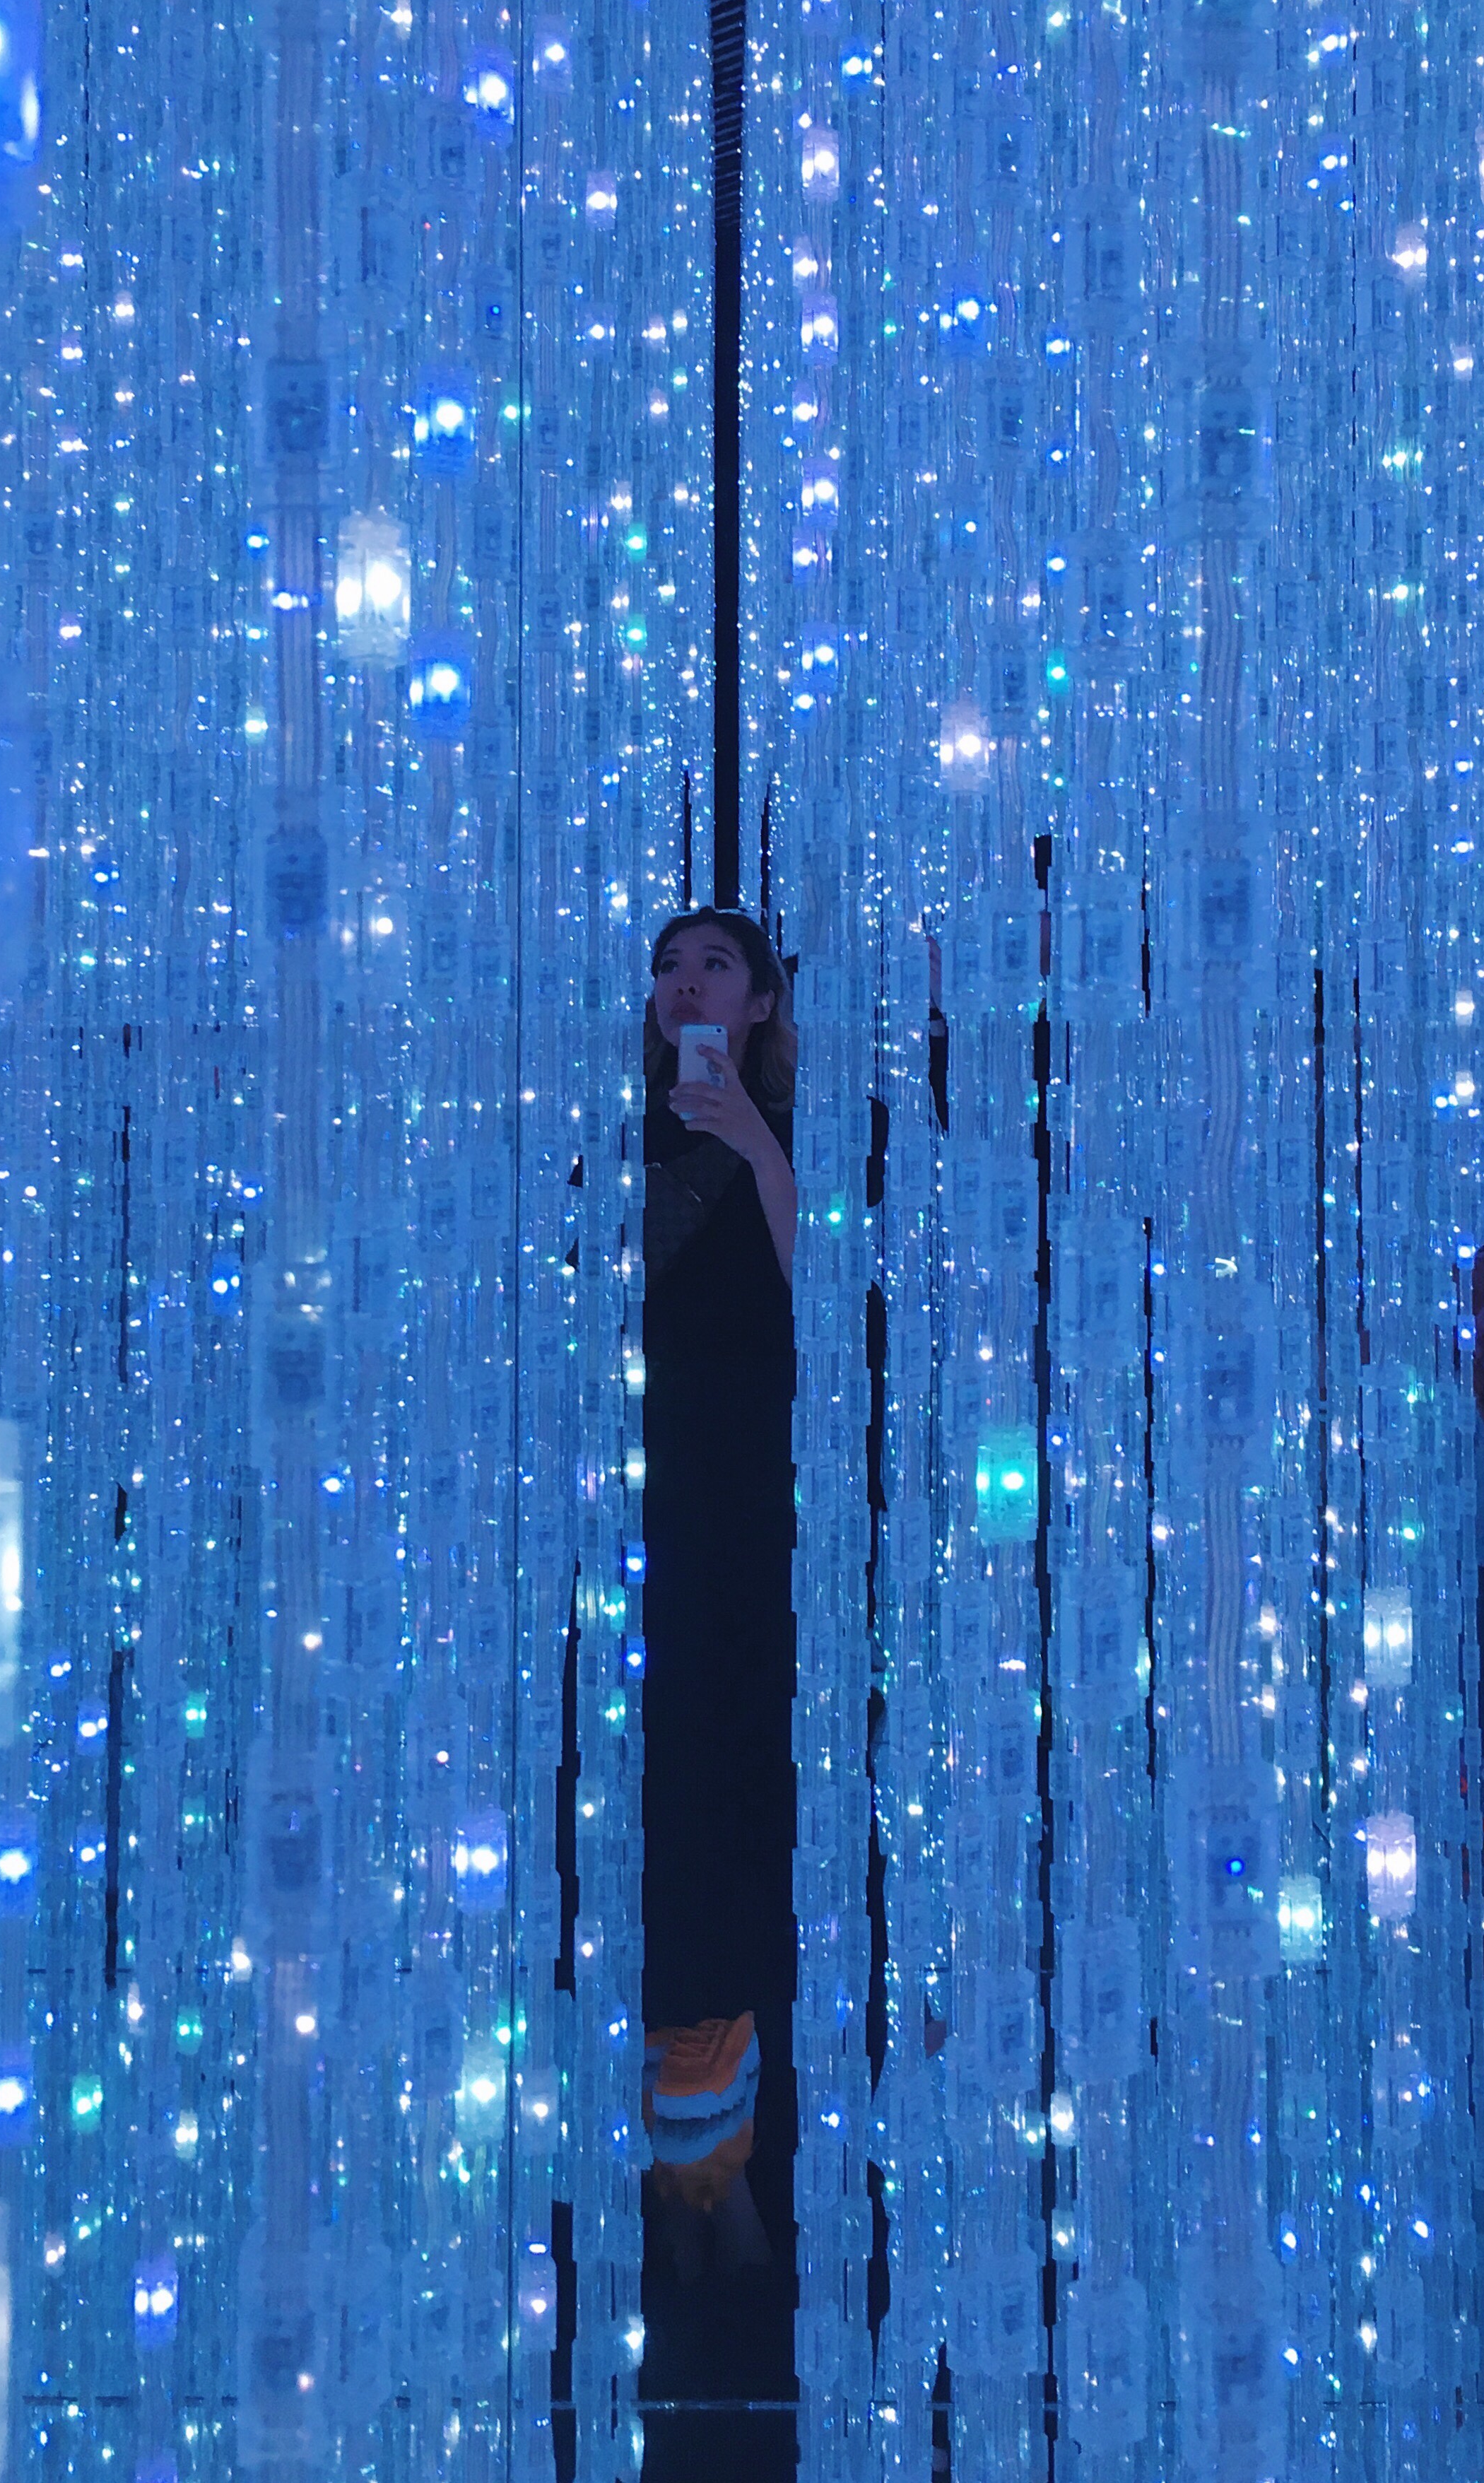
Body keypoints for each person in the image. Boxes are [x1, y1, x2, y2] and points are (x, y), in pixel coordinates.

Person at [635, 907, 800, 2412]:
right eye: (670, 966)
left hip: (751, 1522)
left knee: (733, 1837)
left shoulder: (791, 1141)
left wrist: (747, 1136)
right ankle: (690, 2177)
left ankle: (719, 2174)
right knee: (653, 1845)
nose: (685, 983)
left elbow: (821, 1297)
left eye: (714, 966)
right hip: (635, 1515)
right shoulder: (614, 1149)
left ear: (755, 1004)